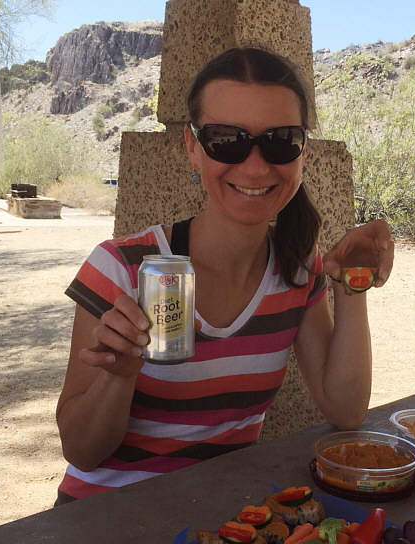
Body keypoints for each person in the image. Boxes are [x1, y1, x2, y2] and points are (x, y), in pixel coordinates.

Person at [54, 47, 394, 504]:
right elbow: (81, 451)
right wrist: (119, 377)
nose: (255, 167)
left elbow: (346, 410)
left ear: (302, 152)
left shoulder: (296, 268)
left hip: (227, 522)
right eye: (225, 140)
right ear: (193, 148)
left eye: (280, 141)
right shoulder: (121, 268)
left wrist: (352, 283)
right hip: (108, 524)